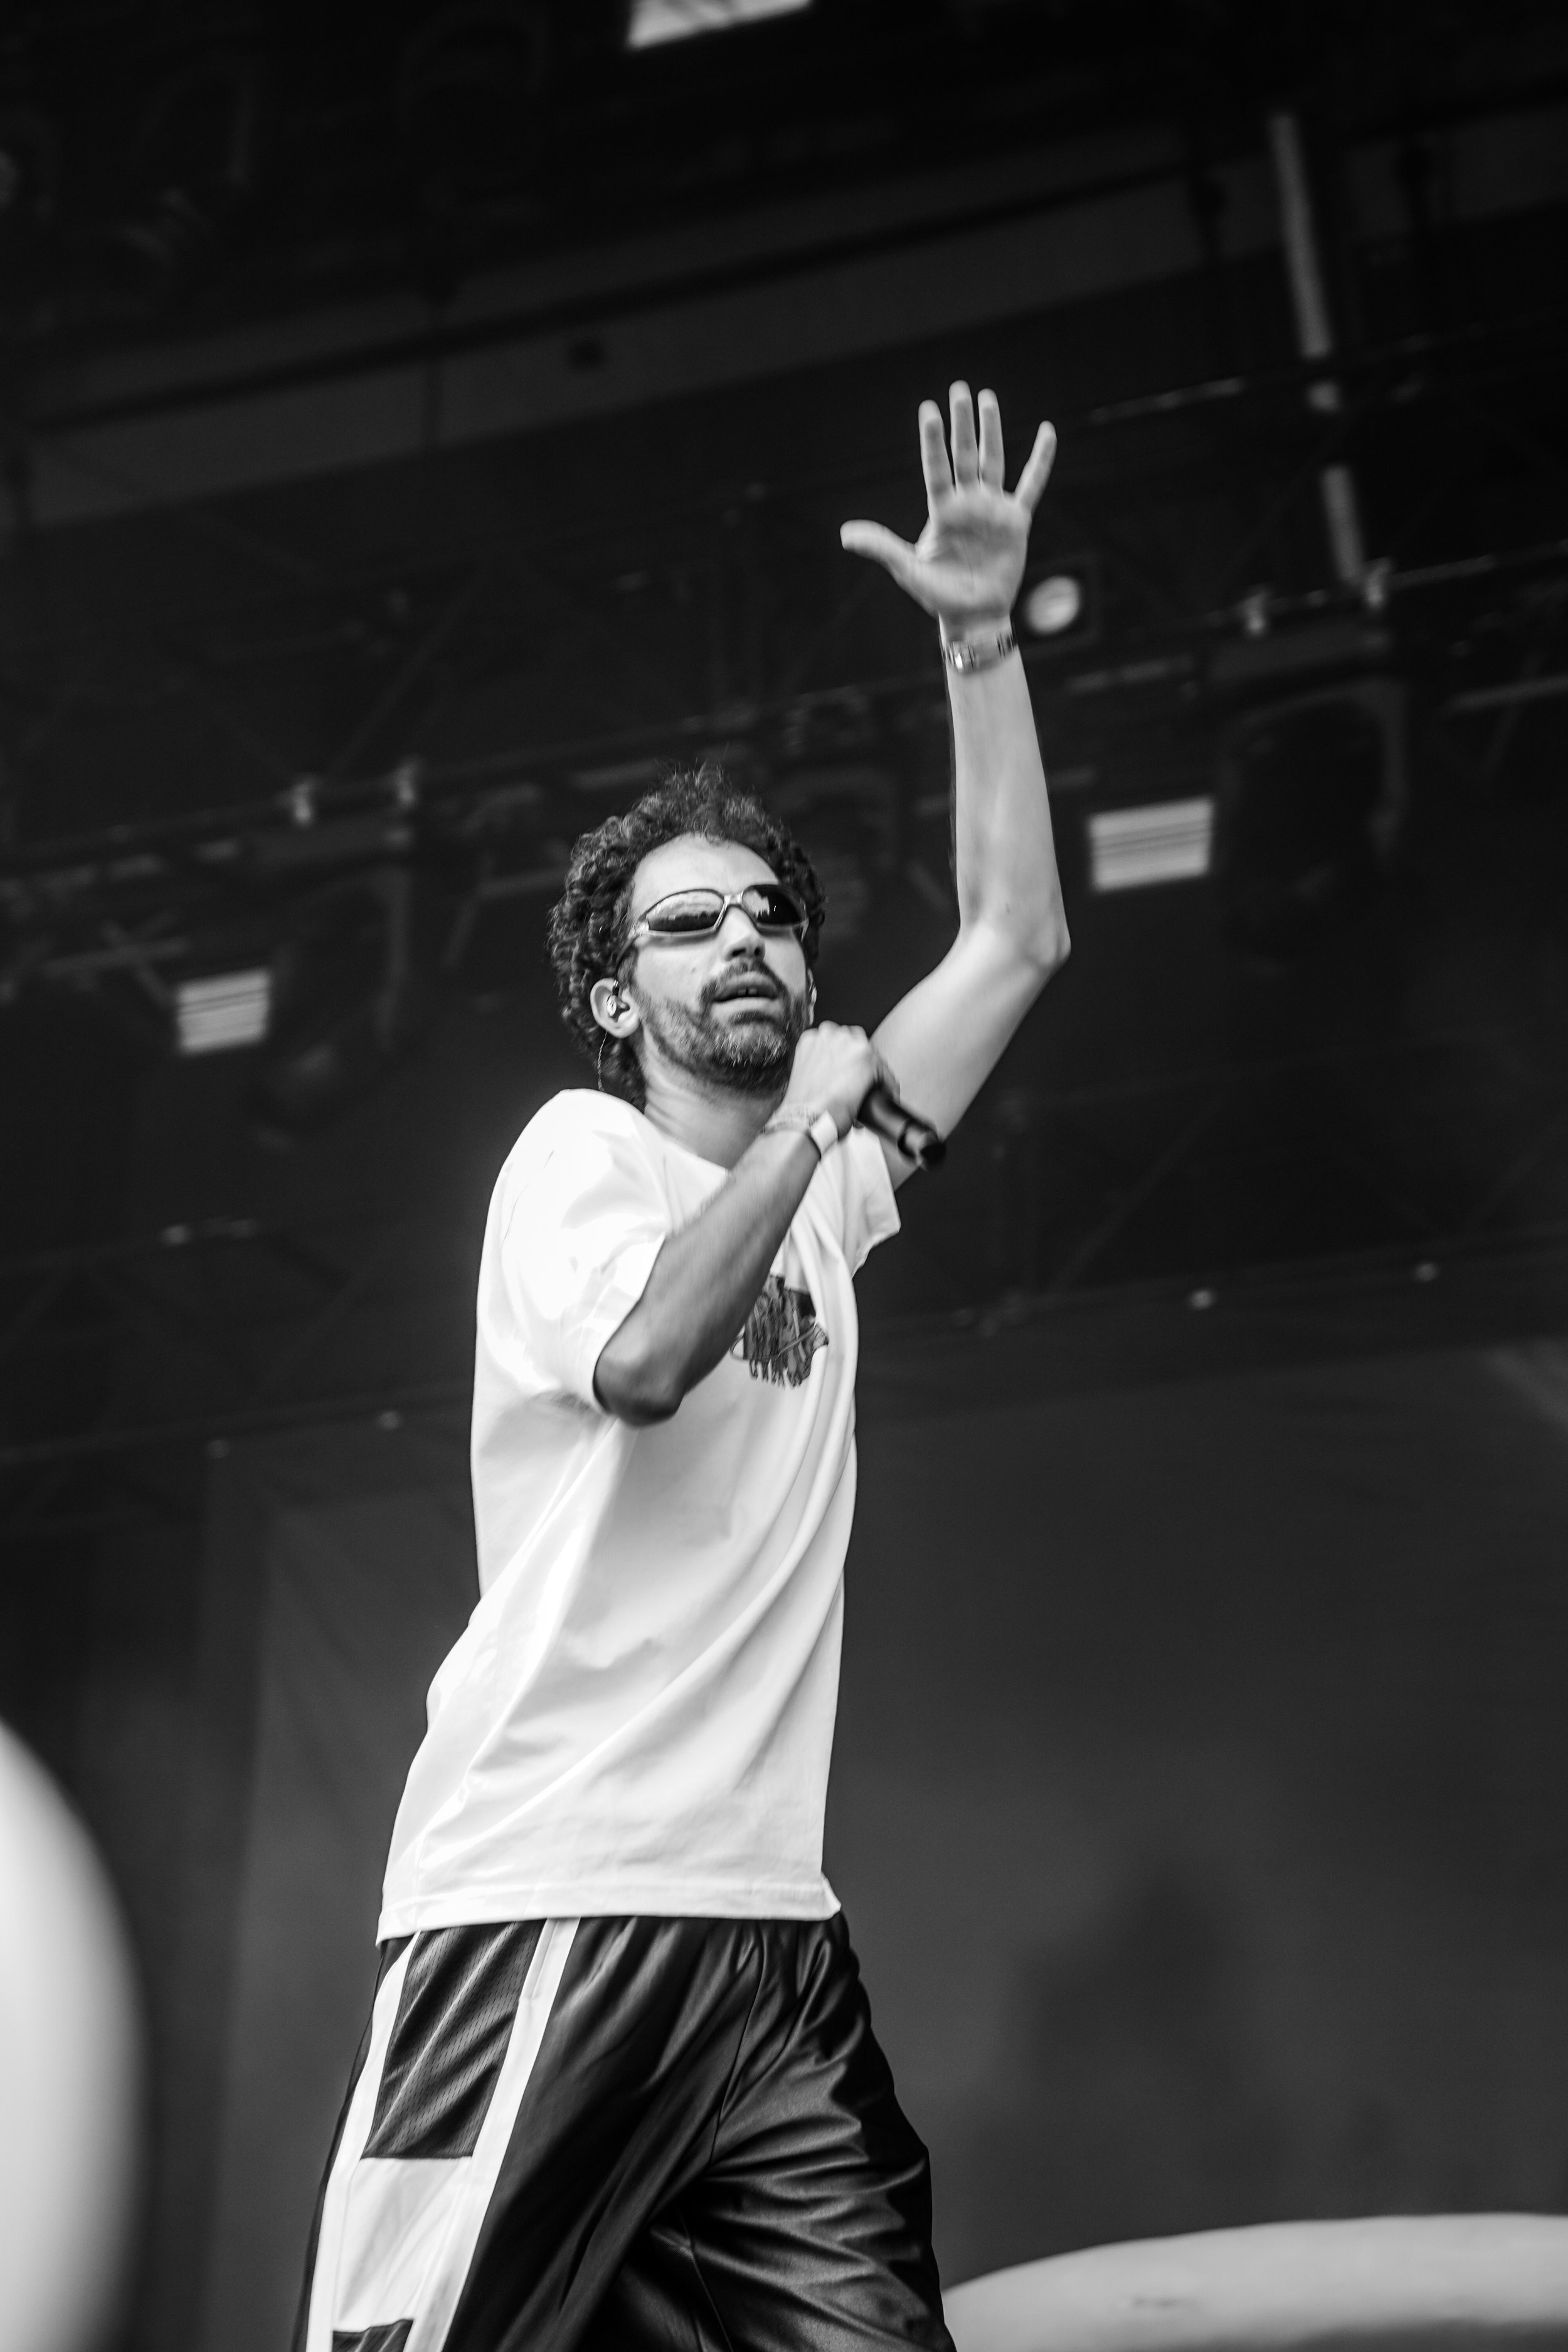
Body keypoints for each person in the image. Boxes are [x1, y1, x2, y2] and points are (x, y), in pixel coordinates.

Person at [295, 383, 1068, 2352]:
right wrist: (815, 1126)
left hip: (769, 1949)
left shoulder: (828, 1193)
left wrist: (977, 646)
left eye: (771, 918)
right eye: (685, 924)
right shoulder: (582, 1161)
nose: (742, 942)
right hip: (546, 1898)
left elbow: (1014, 935)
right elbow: (646, 1363)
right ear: (609, 990)